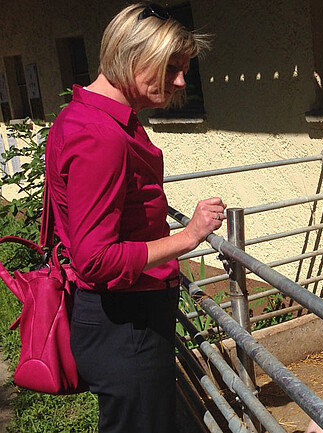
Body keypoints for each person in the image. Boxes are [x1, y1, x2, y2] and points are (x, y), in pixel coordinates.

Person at [45, 3, 223, 432]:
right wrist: (190, 236)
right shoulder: (101, 137)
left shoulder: (83, 115)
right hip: (126, 325)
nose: (181, 81)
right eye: (172, 67)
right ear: (134, 57)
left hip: (120, 320)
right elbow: (96, 258)